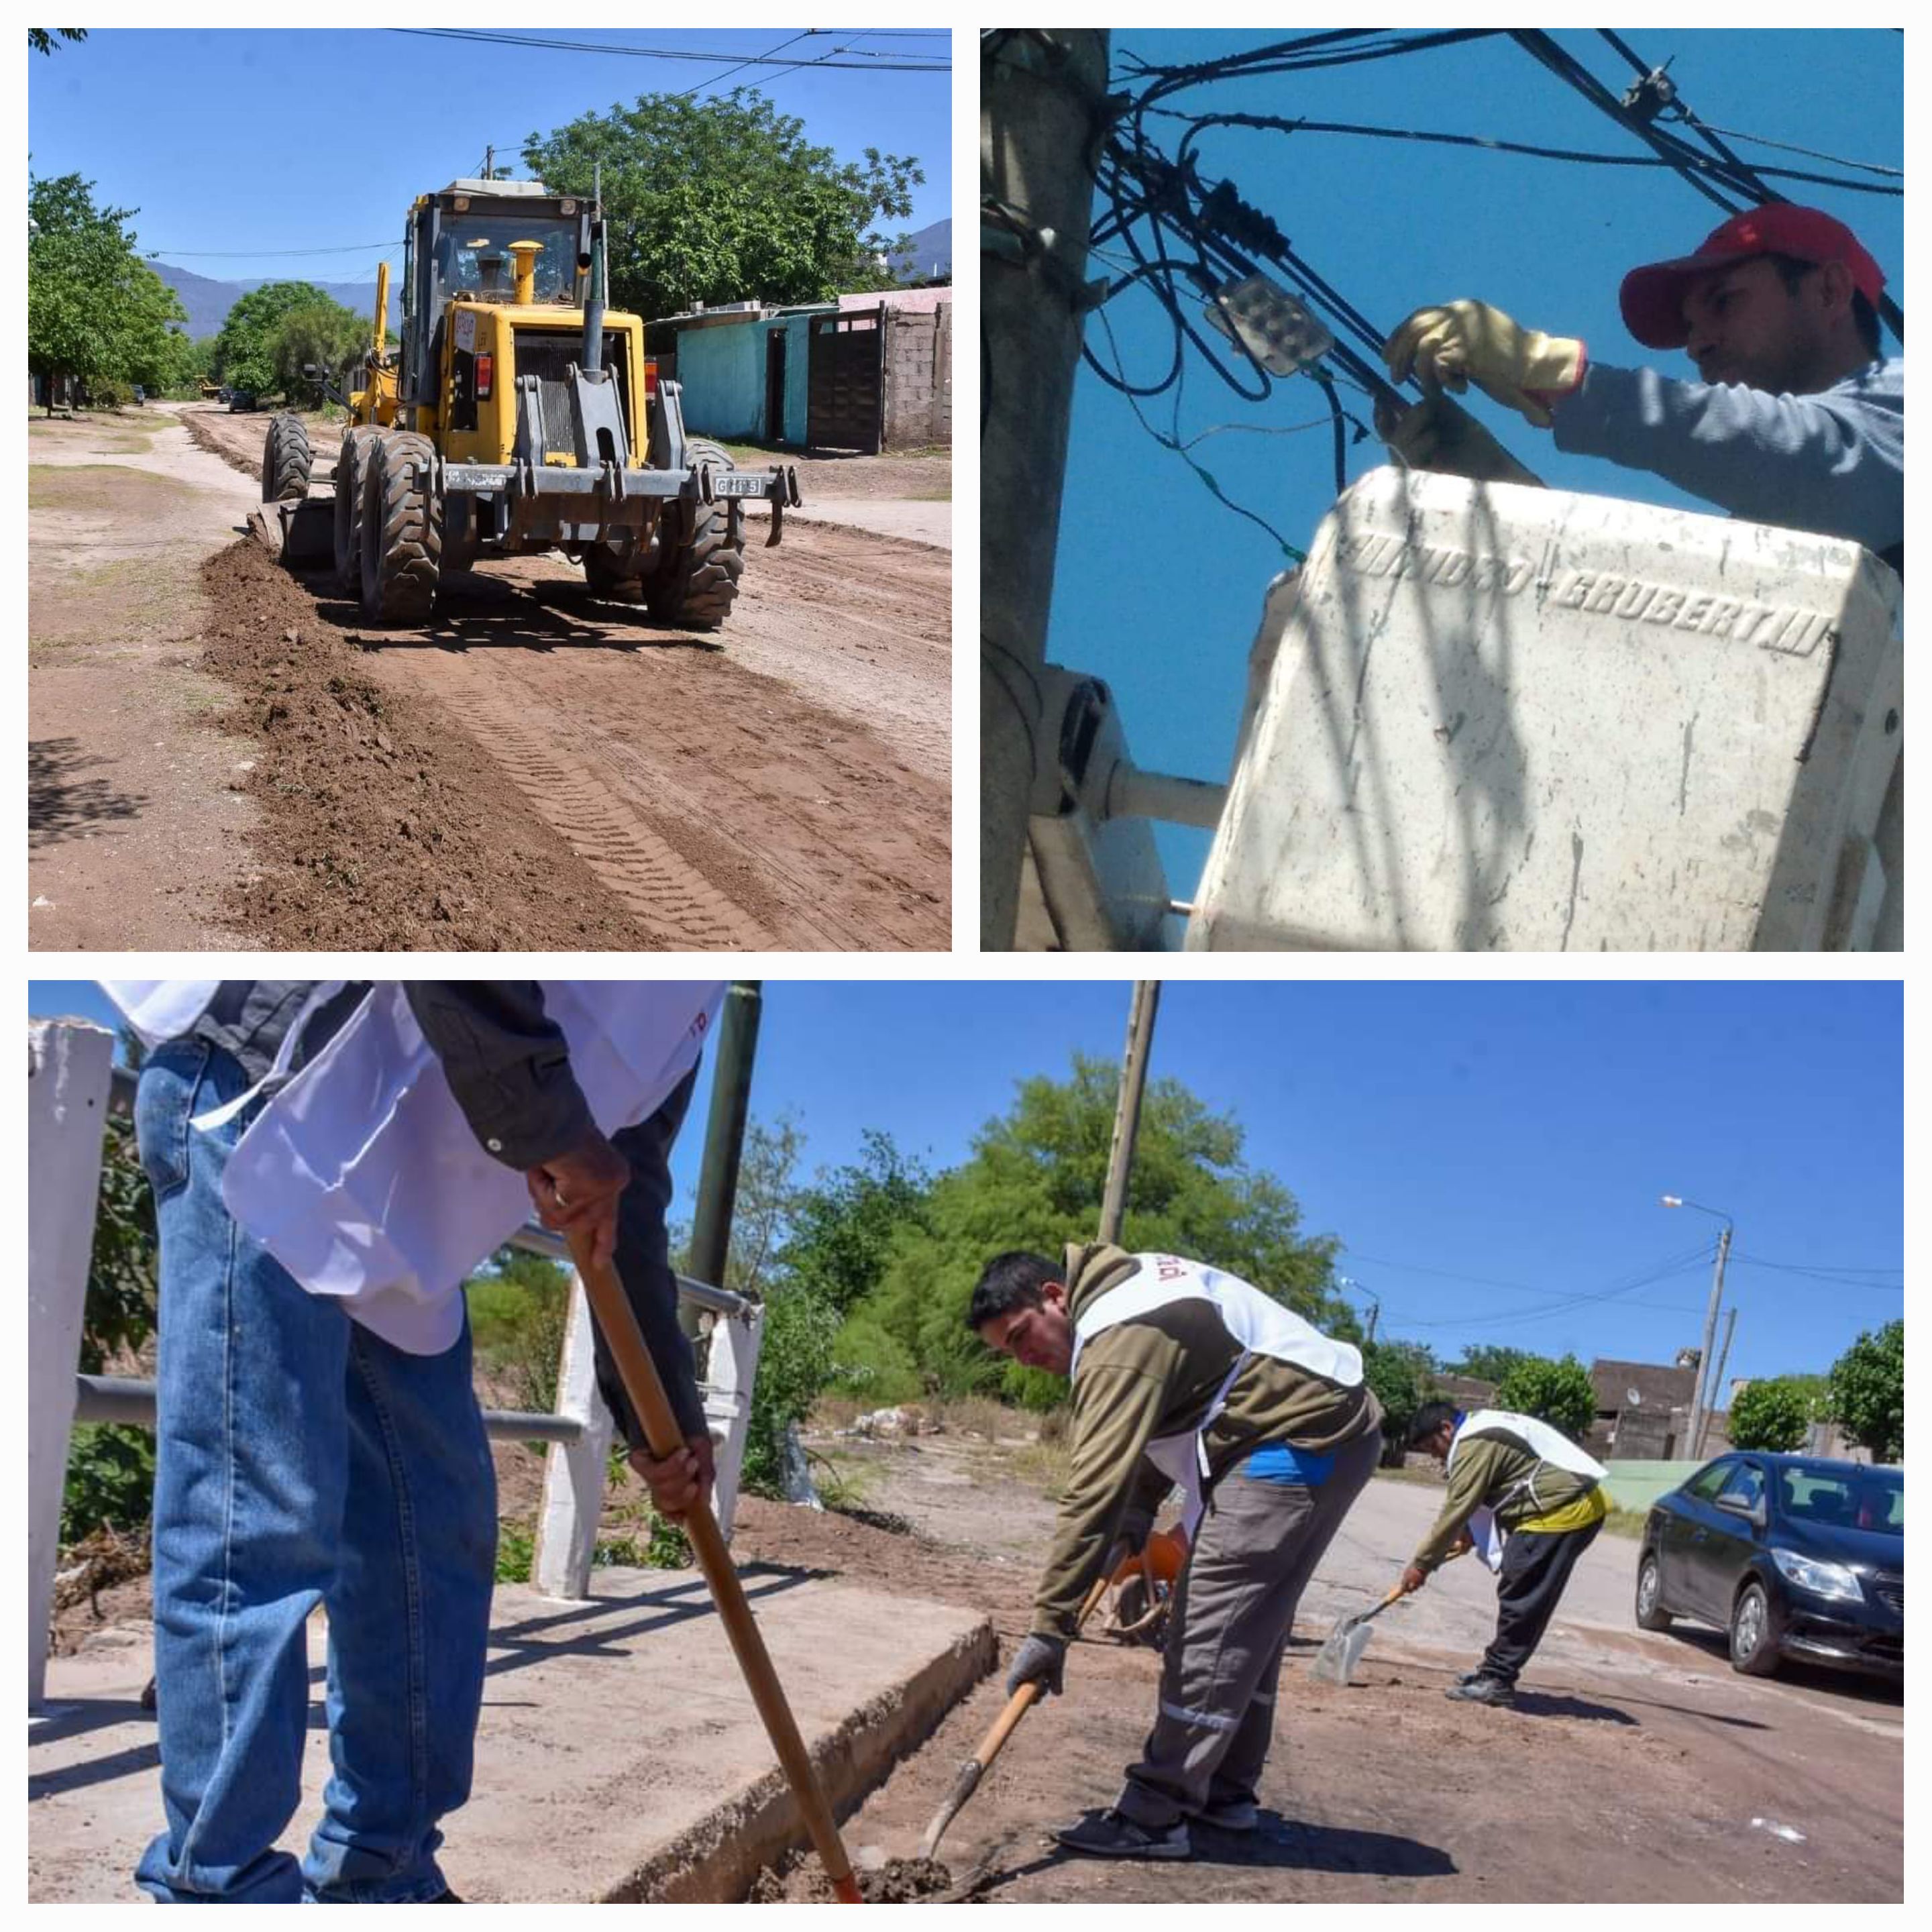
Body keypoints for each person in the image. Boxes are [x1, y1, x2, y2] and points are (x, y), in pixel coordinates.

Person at [115, 980, 719, 1903]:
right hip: (275, 1097)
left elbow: (620, 1206)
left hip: (407, 1208)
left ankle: (381, 1871)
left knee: (436, 1534)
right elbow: (460, 946)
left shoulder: (692, 1007)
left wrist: (663, 1428)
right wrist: (554, 1122)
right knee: (263, 1512)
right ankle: (219, 1885)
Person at [969, 1244, 1382, 1861]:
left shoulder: (1119, 1332)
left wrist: (1051, 1627)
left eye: (1023, 1335)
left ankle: (1155, 1815)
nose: (1025, 1358)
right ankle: (1223, 1795)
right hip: (1323, 1434)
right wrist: (1139, 1512)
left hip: (1292, 1445)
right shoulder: (1130, 1291)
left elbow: (1092, 1489)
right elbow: (1180, 1403)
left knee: (1207, 1629)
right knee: (1248, 1627)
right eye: (1009, 1352)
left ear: (1056, 1296)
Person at [1379, 204, 1902, 568]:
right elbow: (1631, 630)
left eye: (1724, 302)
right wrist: (1491, 486)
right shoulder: (1772, 527)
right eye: (1690, 330)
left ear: (1830, 291)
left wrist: (1555, 375)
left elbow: (1806, 456)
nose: (1697, 346)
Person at [1399, 1401, 1609, 1708]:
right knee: (1519, 1587)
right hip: (1557, 1509)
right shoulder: (1478, 1429)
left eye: (1434, 1446)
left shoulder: (1474, 1441)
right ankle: (1493, 1673)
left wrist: (1421, 1565)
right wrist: (1469, 1535)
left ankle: (1497, 1680)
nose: (1436, 1455)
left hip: (1563, 1511)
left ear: (1446, 1428)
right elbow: (1491, 1489)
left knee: (1523, 1594)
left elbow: (1457, 1508)